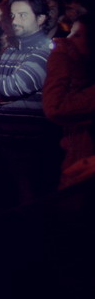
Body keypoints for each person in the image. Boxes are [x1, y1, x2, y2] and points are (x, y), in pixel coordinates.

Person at [0, 0, 62, 211]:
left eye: (23, 15)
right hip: (1, 139)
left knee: (30, 205)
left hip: (29, 144)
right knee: (5, 203)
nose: (15, 20)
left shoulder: (46, 51)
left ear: (40, 18)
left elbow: (14, 86)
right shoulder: (10, 50)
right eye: (13, 15)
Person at [43, 12, 95, 179]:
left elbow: (56, 108)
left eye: (77, 35)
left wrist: (58, 58)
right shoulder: (84, 77)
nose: (68, 39)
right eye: (70, 32)